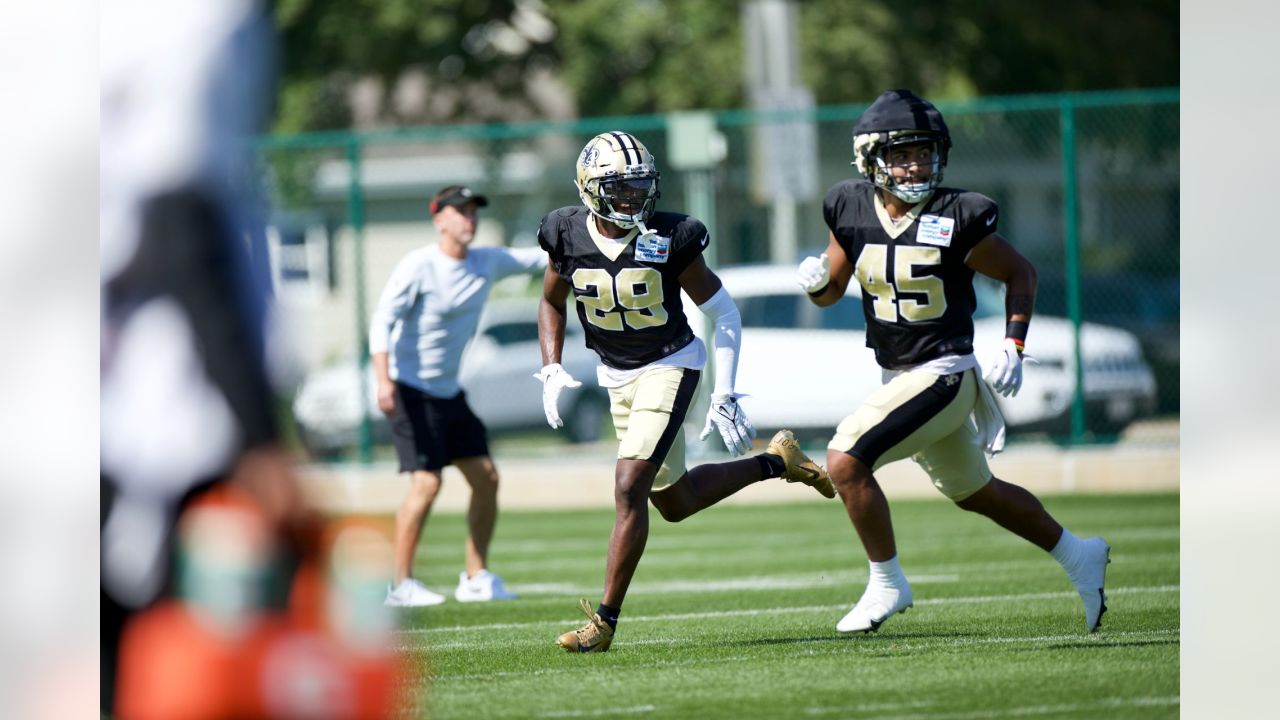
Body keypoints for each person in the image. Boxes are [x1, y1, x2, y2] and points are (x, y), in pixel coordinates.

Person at [796, 89, 1111, 635]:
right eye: (902, 154)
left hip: (943, 373)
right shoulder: (848, 206)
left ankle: (887, 583)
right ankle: (1079, 553)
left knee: (845, 460)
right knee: (977, 493)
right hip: (899, 374)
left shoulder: (956, 213)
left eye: (924, 151)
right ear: (872, 160)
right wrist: (818, 283)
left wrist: (1013, 343)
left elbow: (1021, 272)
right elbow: (833, 289)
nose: (916, 164)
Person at [536, 131, 837, 653]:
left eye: (639, 185)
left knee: (629, 484)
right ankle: (777, 462)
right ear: (589, 188)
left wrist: (726, 391)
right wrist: (551, 365)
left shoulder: (670, 236)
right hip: (617, 375)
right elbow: (551, 300)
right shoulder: (565, 233)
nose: (633, 197)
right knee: (675, 501)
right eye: (620, 187)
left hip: (671, 364)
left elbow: (722, 311)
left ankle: (603, 623)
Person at [370, 185, 546, 607]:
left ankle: (475, 576)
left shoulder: (487, 262)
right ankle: (401, 585)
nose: (470, 218)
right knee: (427, 484)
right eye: (460, 211)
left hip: (450, 394)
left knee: (486, 477)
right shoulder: (419, 266)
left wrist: (590, 234)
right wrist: (383, 381)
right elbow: (382, 322)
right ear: (439, 219)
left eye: (473, 211)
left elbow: (542, 258)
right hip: (411, 390)